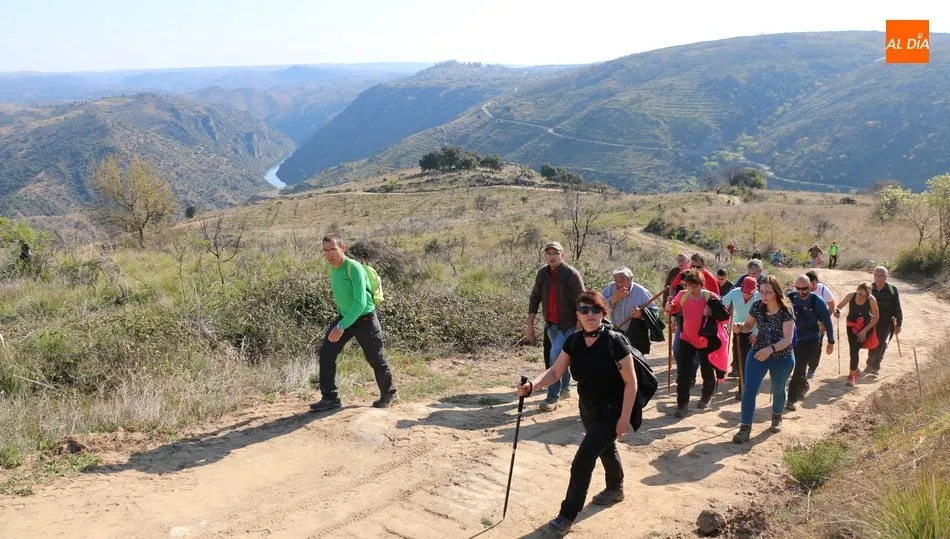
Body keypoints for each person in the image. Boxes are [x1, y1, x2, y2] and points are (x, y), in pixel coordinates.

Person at [517, 290, 638, 536]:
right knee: (605, 448)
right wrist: (532, 386)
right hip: (588, 408)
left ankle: (566, 515)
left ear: (604, 313)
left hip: (612, 410)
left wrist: (624, 418)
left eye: (595, 310)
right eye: (584, 310)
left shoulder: (615, 342)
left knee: (582, 461)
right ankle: (615, 489)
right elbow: (555, 372)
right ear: (577, 315)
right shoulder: (574, 341)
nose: (589, 314)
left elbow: (631, 383)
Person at [309, 233, 398, 412]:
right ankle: (330, 398)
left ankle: (389, 393)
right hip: (346, 317)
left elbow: (361, 303)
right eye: (325, 250)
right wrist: (341, 321)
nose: (328, 254)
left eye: (332, 249)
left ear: (343, 248)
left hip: (365, 319)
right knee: (327, 352)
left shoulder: (353, 267)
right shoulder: (333, 268)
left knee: (375, 358)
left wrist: (341, 326)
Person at [732, 276, 796, 443]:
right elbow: (748, 325)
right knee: (749, 389)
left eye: (768, 291)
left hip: (781, 355)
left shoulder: (786, 310)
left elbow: (787, 339)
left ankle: (777, 416)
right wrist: (740, 327)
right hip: (759, 352)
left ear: (776, 291)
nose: (764, 295)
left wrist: (771, 349)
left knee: (778, 388)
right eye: (761, 291)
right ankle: (744, 428)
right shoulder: (757, 306)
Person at [527, 241, 585, 412]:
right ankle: (566, 388)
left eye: (555, 253)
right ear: (545, 256)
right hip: (551, 324)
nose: (551, 256)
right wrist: (530, 324)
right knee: (561, 356)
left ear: (562, 255)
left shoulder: (571, 274)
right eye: (548, 253)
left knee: (554, 356)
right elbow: (535, 297)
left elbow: (582, 299)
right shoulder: (542, 274)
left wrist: (580, 324)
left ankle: (552, 398)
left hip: (568, 324)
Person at [665, 269, 722, 418]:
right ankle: (682, 405)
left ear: (702, 285)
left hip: (706, 340)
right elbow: (673, 308)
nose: (691, 289)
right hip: (687, 339)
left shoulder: (711, 297)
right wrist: (668, 308)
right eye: (688, 286)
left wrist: (712, 313)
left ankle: (706, 395)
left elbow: (724, 318)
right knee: (683, 373)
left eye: (695, 286)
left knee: (706, 371)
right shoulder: (681, 296)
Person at [785, 276, 835, 411]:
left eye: (804, 289)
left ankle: (791, 399)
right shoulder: (789, 298)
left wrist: (831, 341)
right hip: (794, 339)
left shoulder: (817, 301)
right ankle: (804, 384)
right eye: (798, 288)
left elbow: (827, 321)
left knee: (799, 366)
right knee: (794, 366)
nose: (801, 292)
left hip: (811, 340)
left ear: (810, 287)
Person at [833, 282, 880, 386]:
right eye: (859, 294)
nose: (861, 297)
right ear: (857, 290)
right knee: (853, 349)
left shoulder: (871, 300)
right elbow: (839, 307)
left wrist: (864, 330)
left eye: (864, 296)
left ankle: (852, 375)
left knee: (855, 349)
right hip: (851, 325)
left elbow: (876, 317)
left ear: (868, 295)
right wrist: (837, 311)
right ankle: (855, 371)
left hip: (866, 326)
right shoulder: (851, 295)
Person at [601, 267, 658, 354]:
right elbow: (599, 309)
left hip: (636, 336)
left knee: (636, 364)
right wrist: (613, 299)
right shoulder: (609, 289)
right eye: (616, 281)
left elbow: (655, 313)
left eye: (622, 281)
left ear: (630, 280)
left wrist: (641, 314)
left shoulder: (641, 292)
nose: (619, 284)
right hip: (616, 333)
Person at [721, 277, 760, 395]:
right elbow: (721, 304)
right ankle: (743, 384)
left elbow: (763, 316)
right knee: (739, 359)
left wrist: (756, 333)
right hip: (738, 329)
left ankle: (743, 389)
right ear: (741, 288)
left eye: (750, 293)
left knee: (749, 360)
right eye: (745, 292)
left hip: (754, 331)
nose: (747, 295)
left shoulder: (759, 297)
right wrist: (726, 321)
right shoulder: (734, 293)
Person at [867, 266, 903, 374]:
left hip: (887, 321)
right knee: (872, 342)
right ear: (873, 275)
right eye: (877, 275)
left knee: (880, 342)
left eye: (882, 275)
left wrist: (899, 324)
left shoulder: (892, 289)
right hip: (872, 320)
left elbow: (897, 307)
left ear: (886, 277)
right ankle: (870, 363)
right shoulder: (869, 288)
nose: (879, 277)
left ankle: (874, 365)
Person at [805, 271, 836, 378]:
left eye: (813, 283)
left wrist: (824, 322)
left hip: (820, 322)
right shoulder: (802, 289)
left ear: (817, 281)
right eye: (809, 283)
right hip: (805, 322)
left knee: (816, 346)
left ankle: (812, 368)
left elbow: (831, 306)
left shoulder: (824, 290)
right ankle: (801, 366)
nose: (811, 286)